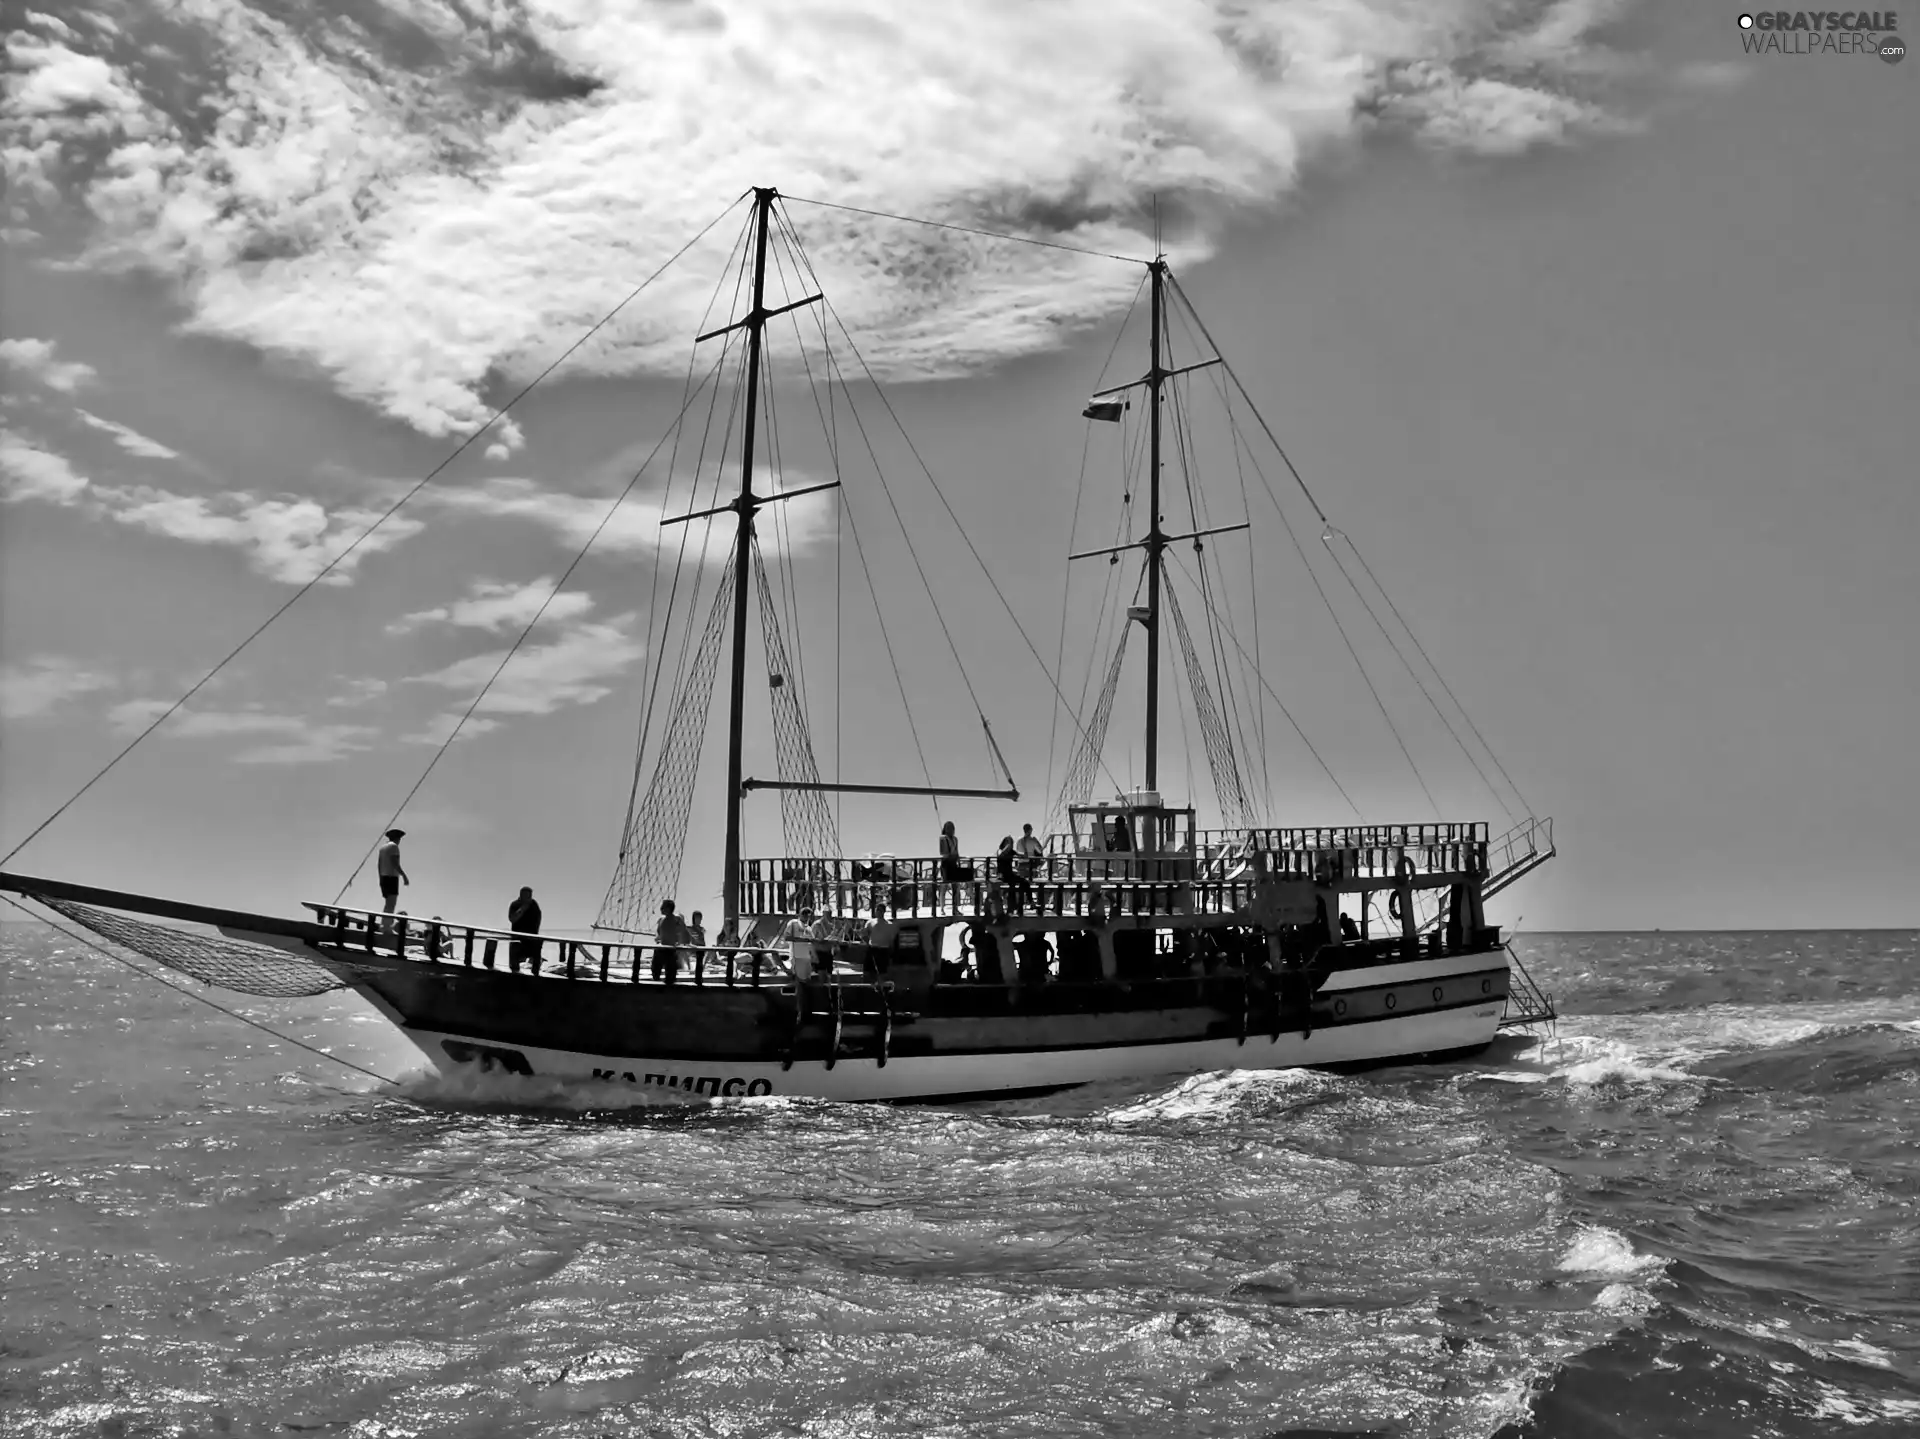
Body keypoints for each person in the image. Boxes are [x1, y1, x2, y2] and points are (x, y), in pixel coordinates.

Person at [376, 829, 409, 919]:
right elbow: (394, 863)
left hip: (383, 877)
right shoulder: (394, 847)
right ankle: (386, 926)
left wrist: (380, 879)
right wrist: (404, 876)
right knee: (391, 904)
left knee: (387, 903)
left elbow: (379, 864)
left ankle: (385, 924)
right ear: (397, 838)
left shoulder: (382, 848)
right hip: (392, 878)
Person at [508, 886, 542, 973]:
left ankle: (535, 974)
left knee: (533, 960)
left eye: (530, 896)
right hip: (518, 939)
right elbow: (512, 919)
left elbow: (538, 917)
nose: (528, 898)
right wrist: (522, 909)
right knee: (516, 964)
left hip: (531, 938)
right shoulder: (515, 904)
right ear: (521, 895)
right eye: (526, 896)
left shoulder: (534, 904)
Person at [652, 899, 686, 982]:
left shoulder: (677, 919)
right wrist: (658, 938)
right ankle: (656, 983)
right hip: (662, 948)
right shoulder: (661, 919)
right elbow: (659, 933)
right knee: (655, 969)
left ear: (668, 908)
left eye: (663, 907)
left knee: (671, 973)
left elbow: (683, 930)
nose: (661, 909)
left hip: (671, 949)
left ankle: (669, 986)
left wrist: (679, 942)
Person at [939, 819, 968, 913]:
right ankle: (942, 908)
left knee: (955, 887)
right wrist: (951, 856)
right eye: (949, 828)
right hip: (946, 864)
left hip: (953, 864)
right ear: (945, 829)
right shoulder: (943, 838)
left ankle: (955, 908)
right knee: (944, 886)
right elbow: (943, 852)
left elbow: (957, 851)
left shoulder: (955, 839)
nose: (951, 830)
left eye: (952, 828)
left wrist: (957, 857)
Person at [781, 906, 816, 981]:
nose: (807, 918)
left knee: (807, 980)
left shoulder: (809, 928)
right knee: (800, 979)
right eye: (805, 915)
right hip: (797, 956)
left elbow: (812, 941)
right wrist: (803, 940)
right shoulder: (793, 923)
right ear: (800, 915)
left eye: (808, 916)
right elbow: (786, 937)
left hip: (807, 958)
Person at [688, 909, 707, 980]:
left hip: (702, 951)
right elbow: (688, 942)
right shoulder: (689, 929)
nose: (698, 920)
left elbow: (703, 942)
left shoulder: (702, 930)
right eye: (696, 918)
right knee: (694, 969)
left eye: (699, 918)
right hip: (693, 953)